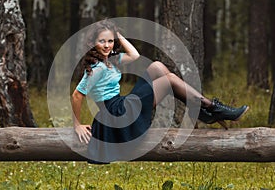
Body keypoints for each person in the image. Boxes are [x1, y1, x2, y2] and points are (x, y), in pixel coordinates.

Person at [71, 19, 249, 162]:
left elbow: (135, 55)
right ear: (92, 43)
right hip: (117, 112)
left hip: (122, 104)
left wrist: (117, 35)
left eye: (110, 41)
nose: (107, 45)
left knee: (156, 66)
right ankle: (209, 107)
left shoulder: (112, 61)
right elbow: (77, 95)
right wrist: (77, 125)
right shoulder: (96, 69)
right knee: (169, 80)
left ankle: (203, 110)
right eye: (102, 41)